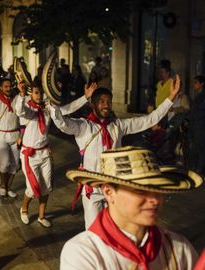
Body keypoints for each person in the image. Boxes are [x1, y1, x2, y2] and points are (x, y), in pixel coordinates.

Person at [50, 75, 181, 228]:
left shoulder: (118, 125)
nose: (106, 105)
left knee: (115, 229)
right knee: (94, 232)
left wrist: (170, 97)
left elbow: (149, 120)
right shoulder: (83, 126)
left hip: (114, 188)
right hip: (92, 190)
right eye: (102, 102)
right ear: (92, 104)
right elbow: (62, 122)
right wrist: (57, 103)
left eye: (109, 102)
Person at [60, 146, 201, 270]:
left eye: (158, 190)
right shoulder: (83, 253)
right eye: (140, 190)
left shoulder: (180, 248)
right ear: (109, 192)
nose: (155, 200)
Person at [15, 80, 96, 227]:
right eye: (36, 92)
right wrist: (21, 94)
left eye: (41, 92)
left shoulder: (48, 108)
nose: (39, 96)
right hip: (29, 155)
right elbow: (20, 111)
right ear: (31, 94)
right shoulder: (28, 110)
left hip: (44, 153)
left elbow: (67, 109)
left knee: (46, 187)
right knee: (33, 189)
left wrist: (85, 97)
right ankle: (24, 208)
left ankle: (41, 216)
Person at [188, 75, 205, 174]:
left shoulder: (202, 96)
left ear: (202, 84)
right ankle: (196, 169)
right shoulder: (197, 96)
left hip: (201, 126)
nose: (193, 85)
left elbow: (199, 112)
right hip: (195, 126)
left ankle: (199, 170)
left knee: (200, 149)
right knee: (195, 148)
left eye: (196, 82)